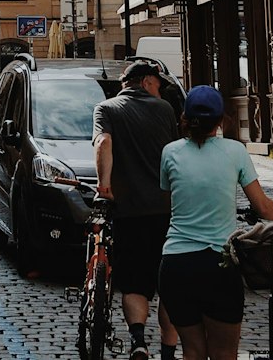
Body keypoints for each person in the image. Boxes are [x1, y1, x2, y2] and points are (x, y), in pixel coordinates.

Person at [158, 85, 273, 360]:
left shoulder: (170, 152)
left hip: (176, 265)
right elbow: (263, 207)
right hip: (218, 266)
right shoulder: (235, 151)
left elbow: (169, 200)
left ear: (185, 119)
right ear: (221, 120)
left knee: (192, 352)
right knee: (224, 353)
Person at [93, 60, 180, 360]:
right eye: (158, 85)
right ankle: (168, 353)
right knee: (167, 283)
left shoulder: (107, 109)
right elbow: (174, 153)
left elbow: (103, 142)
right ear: (145, 82)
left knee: (134, 283)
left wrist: (105, 187)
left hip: (128, 211)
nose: (159, 92)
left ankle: (138, 341)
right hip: (165, 210)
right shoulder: (166, 110)